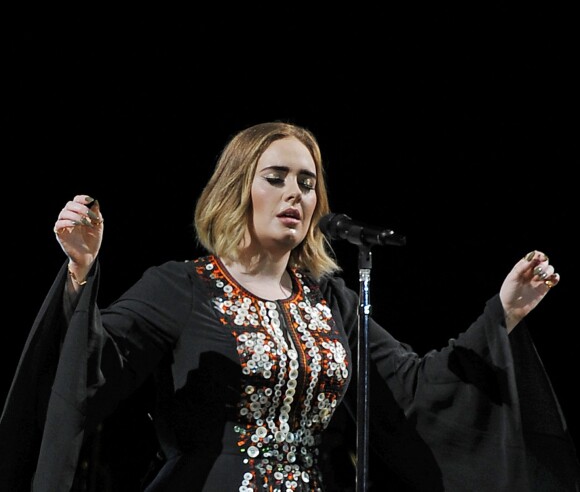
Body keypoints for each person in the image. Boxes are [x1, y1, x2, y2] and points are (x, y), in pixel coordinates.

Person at [1, 121, 579, 492]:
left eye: (307, 182)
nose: (295, 193)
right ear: (237, 191)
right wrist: (80, 272)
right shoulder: (181, 287)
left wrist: (502, 313)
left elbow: (410, 386)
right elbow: (90, 367)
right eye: (276, 177)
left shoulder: (331, 300)